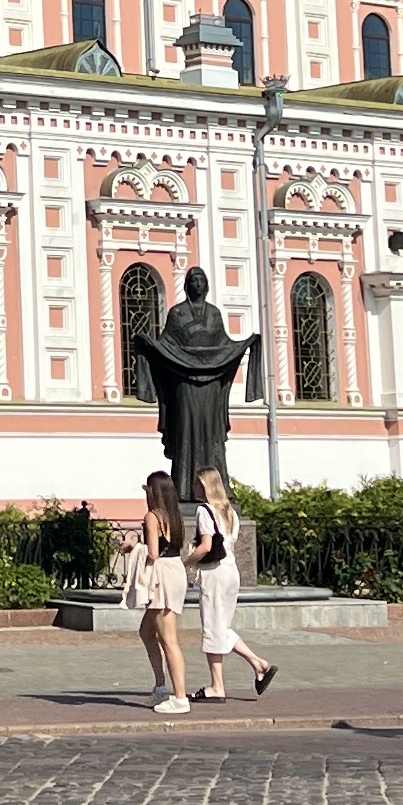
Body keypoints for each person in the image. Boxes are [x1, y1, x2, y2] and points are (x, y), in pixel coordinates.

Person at [130, 269, 253, 503]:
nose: (198, 284)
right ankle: (185, 488)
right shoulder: (177, 314)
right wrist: (149, 344)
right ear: (187, 286)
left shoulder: (214, 314)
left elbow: (223, 344)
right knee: (186, 430)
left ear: (206, 286)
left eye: (202, 281)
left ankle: (217, 488)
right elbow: (166, 345)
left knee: (212, 433)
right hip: (184, 382)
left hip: (211, 386)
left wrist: (244, 344)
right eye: (193, 280)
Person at [185, 469, 276, 701]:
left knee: (213, 628)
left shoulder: (204, 510)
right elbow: (230, 546)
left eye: (197, 483)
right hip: (230, 571)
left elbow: (206, 546)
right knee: (222, 626)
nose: (194, 487)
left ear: (205, 486)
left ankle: (217, 686)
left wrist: (187, 561)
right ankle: (258, 664)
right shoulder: (230, 512)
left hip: (214, 573)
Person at [136, 470, 193, 715]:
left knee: (169, 640)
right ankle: (160, 687)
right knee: (147, 631)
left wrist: (133, 547)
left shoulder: (153, 517)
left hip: (163, 576)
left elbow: (153, 553)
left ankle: (180, 697)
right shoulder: (174, 515)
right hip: (175, 570)